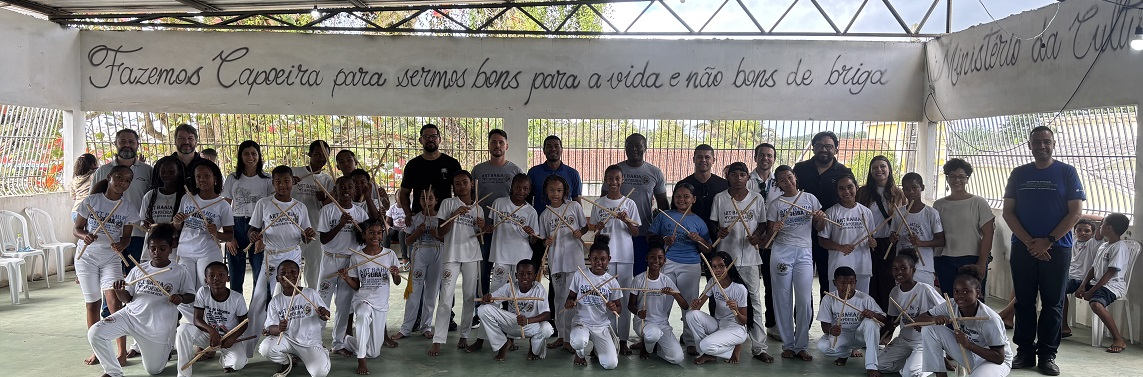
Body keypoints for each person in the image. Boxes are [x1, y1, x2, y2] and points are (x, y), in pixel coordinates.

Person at [1000, 126, 1084, 376]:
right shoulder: (1018, 174)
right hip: (1023, 248)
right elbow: (1008, 212)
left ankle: (1047, 355)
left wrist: (1048, 241)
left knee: (1053, 303)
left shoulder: (1067, 172)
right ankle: (1024, 352)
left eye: (1046, 142)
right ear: (1029, 145)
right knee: (1024, 302)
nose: (1041, 146)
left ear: (1054, 143)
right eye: (1036, 142)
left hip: (1057, 249)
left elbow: (1075, 212)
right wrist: (1029, 243)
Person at [89, 223, 195, 377]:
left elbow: (190, 295)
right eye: (153, 248)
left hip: (156, 329)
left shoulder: (179, 271)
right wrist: (119, 291)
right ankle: (113, 372)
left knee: (154, 370)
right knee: (95, 333)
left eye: (162, 248)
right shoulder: (139, 269)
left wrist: (181, 297)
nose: (157, 252)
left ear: (170, 248)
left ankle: (165, 350)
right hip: (130, 317)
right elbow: (129, 298)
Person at [246, 166, 318, 357]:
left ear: (293, 182)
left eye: (286, 181)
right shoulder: (264, 204)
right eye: (278, 181)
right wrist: (253, 235)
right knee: (258, 301)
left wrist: (308, 235)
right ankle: (247, 350)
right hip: (270, 257)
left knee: (293, 303)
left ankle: (296, 346)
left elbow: (305, 236)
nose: (282, 185)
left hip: (292, 258)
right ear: (273, 183)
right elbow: (252, 229)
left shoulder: (299, 207)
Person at [74, 165, 140, 366]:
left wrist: (122, 243)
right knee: (92, 303)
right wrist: (86, 236)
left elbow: (127, 237)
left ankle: (121, 353)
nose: (122, 182)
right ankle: (99, 351)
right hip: (86, 258)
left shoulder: (128, 208)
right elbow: (77, 229)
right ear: (110, 177)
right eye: (118, 177)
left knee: (114, 302)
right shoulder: (91, 201)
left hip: (111, 258)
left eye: (127, 180)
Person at [709, 162, 770, 362]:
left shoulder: (756, 198)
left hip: (750, 258)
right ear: (728, 177)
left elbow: (762, 224)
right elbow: (713, 222)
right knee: (721, 299)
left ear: (748, 178)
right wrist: (718, 231)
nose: (738, 178)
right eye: (734, 174)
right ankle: (721, 340)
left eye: (742, 174)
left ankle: (759, 346)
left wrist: (758, 236)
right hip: (725, 260)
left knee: (754, 300)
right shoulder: (720, 198)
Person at [766, 165, 826, 361]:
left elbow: (819, 226)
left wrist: (820, 219)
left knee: (804, 300)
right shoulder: (775, 204)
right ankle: (788, 345)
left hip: (804, 253)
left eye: (789, 177)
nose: (787, 182)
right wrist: (774, 227)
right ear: (778, 183)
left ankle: (801, 345)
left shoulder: (809, 199)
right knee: (782, 298)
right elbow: (769, 235)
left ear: (795, 177)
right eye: (782, 180)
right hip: (781, 253)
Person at [916, 266, 1013, 377]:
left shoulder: (990, 319)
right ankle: (941, 375)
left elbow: (999, 358)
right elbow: (919, 320)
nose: (960, 296)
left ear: (978, 293)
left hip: (993, 361)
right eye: (956, 291)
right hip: (969, 354)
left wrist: (969, 345)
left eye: (966, 291)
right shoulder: (951, 305)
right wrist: (933, 319)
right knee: (929, 329)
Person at [427, 170, 485, 356]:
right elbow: (441, 232)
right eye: (457, 183)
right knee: (445, 298)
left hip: (472, 255)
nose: (461, 186)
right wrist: (454, 214)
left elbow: (480, 234)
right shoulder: (448, 203)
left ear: (471, 184)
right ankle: (438, 339)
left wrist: (482, 227)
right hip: (451, 255)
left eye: (465, 182)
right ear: (453, 186)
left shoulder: (478, 208)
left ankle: (465, 335)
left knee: (469, 297)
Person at [648, 182, 710, 355]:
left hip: (690, 264)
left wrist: (699, 240)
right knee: (662, 302)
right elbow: (650, 236)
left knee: (690, 303)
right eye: (678, 196)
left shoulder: (698, 221)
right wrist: (663, 240)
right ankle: (659, 337)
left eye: (686, 197)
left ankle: (690, 340)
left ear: (694, 199)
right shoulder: (664, 215)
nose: (681, 200)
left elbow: (708, 248)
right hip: (666, 263)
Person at [588, 164, 641, 355]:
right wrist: (599, 226)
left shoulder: (629, 204)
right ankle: (604, 339)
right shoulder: (599, 203)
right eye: (610, 178)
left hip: (625, 257)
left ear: (622, 180)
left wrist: (626, 220)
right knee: (605, 300)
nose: (613, 182)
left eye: (617, 178)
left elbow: (636, 232)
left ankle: (624, 340)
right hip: (605, 260)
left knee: (624, 300)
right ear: (605, 180)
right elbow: (596, 233)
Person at [338, 218, 402, 374]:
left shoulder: (390, 254)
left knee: (374, 352)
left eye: (379, 233)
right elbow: (357, 285)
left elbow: (398, 282)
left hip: (381, 304)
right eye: (371, 233)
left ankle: (346, 340)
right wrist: (347, 278)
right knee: (362, 316)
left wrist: (395, 274)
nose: (376, 236)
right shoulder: (357, 257)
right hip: (363, 300)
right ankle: (361, 360)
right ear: (364, 235)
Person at [793, 131, 853, 295]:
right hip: (802, 232)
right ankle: (804, 320)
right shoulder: (800, 169)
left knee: (829, 281)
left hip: (831, 235)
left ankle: (828, 319)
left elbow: (851, 200)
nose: (824, 150)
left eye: (829, 146)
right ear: (813, 148)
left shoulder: (843, 172)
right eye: (819, 146)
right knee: (802, 283)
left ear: (836, 149)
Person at [604, 133, 668, 279]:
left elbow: (663, 204)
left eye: (638, 145)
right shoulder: (615, 171)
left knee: (640, 274)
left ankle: (637, 302)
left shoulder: (655, 172)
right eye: (630, 145)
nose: (634, 149)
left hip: (643, 232)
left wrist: (662, 232)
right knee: (615, 277)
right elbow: (604, 200)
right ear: (625, 148)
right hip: (616, 233)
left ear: (645, 148)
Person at [318, 176, 370, 356]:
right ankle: (315, 342)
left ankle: (338, 343)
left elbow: (363, 241)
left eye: (350, 186)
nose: (346, 190)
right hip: (330, 260)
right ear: (335, 190)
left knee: (344, 304)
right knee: (321, 301)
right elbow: (323, 239)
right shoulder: (327, 210)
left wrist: (361, 232)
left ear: (355, 190)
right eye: (342, 187)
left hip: (350, 263)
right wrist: (340, 224)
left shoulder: (360, 213)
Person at [875, 249, 944, 377]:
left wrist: (930, 319)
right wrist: (889, 326)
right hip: (904, 339)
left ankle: (933, 361)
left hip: (924, 342)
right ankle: (912, 361)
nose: (899, 272)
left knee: (911, 373)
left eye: (903, 268)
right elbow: (892, 319)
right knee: (878, 365)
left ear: (913, 270)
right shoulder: (894, 292)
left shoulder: (925, 289)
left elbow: (946, 309)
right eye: (895, 269)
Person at [91, 129, 153, 275]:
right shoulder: (103, 170)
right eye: (122, 141)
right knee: (111, 280)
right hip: (109, 235)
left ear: (138, 144)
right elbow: (93, 201)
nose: (127, 145)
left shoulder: (148, 170)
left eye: (131, 142)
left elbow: (152, 199)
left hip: (138, 234)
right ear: (115, 144)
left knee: (135, 276)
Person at [538, 175, 587, 353]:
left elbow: (585, 227)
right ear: (546, 192)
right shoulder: (545, 214)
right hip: (556, 262)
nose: (555, 194)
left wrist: (579, 233)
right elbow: (543, 238)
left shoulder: (573, 206)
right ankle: (561, 336)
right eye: (552, 190)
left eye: (559, 190)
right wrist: (546, 242)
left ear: (565, 191)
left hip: (574, 261)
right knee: (559, 299)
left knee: (572, 300)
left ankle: (571, 338)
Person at [258, 260, 332, 377]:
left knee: (319, 373)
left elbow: (326, 316)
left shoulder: (311, 293)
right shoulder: (275, 301)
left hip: (310, 343)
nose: (288, 275)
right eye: (283, 273)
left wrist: (323, 314)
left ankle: (322, 352)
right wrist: (278, 328)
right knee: (265, 348)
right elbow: (271, 328)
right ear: (277, 278)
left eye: (293, 272)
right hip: (287, 341)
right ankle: (287, 361)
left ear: (299, 276)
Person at [175, 261, 250, 376]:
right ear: (206, 280)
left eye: (221, 275)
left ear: (228, 278)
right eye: (211, 275)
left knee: (237, 363)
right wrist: (211, 331)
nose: (216, 278)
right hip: (209, 336)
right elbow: (197, 319)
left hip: (229, 339)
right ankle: (183, 373)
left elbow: (244, 323)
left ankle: (225, 360)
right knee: (182, 330)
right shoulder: (203, 292)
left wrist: (232, 337)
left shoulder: (237, 298)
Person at [472, 129, 524, 294]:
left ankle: (508, 305)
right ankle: (480, 308)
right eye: (494, 142)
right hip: (484, 228)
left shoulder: (516, 171)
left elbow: (522, 199)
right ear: (488, 146)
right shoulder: (478, 170)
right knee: (483, 270)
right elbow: (472, 199)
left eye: (501, 142)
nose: (497, 145)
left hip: (507, 229)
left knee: (506, 271)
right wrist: (480, 222)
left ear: (506, 146)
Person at [933, 158, 995, 296]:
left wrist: (981, 262)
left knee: (973, 303)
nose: (957, 180)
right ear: (947, 178)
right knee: (950, 301)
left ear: (967, 179)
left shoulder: (978, 202)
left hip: (971, 260)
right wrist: (935, 262)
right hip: (945, 260)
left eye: (961, 177)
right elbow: (936, 235)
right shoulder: (938, 205)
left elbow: (988, 234)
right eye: (952, 176)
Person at [1075, 213, 1133, 354]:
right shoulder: (1104, 246)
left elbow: (1110, 273)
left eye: (1102, 224)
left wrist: (1091, 291)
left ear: (1108, 228)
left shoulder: (1119, 247)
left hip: (1113, 285)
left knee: (1096, 304)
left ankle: (1118, 339)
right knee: (1063, 287)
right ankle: (1060, 328)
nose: (1099, 226)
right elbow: (1093, 268)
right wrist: (1082, 286)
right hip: (1098, 282)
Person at [475, 259, 554, 361]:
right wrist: (487, 299)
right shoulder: (510, 287)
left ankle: (533, 349)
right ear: (516, 275)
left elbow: (547, 314)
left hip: (530, 325)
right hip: (512, 323)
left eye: (529, 274)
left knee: (546, 328)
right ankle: (502, 344)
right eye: (521, 274)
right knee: (483, 309)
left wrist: (527, 321)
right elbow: (492, 299)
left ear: (535, 276)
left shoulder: (539, 289)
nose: (525, 277)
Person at [173, 160, 235, 290]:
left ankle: (205, 311)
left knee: (206, 288)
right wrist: (177, 221)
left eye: (207, 175)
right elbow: (178, 227)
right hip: (185, 251)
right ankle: (191, 312)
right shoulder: (187, 198)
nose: (202, 179)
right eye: (198, 176)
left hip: (208, 253)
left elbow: (229, 236)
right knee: (186, 290)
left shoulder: (223, 205)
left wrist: (216, 233)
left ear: (215, 178)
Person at [564, 234, 623, 369]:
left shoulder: (612, 281)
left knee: (610, 364)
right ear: (589, 258)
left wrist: (613, 307)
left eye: (603, 259)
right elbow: (571, 297)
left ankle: (597, 349)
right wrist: (570, 303)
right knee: (579, 341)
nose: (599, 262)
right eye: (595, 259)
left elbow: (619, 308)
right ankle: (579, 354)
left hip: (601, 326)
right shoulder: (580, 275)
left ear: (609, 260)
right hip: (582, 322)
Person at [856, 155, 906, 313]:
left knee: (887, 283)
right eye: (874, 167)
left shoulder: (898, 194)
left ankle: (885, 322)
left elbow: (903, 219)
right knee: (869, 283)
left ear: (889, 169)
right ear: (870, 172)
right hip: (867, 243)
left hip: (889, 244)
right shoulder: (863, 193)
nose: (879, 170)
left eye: (882, 166)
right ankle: (869, 319)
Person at [816, 266, 886, 376]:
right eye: (843, 283)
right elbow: (824, 325)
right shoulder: (829, 298)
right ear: (835, 283)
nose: (848, 287)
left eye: (851, 283)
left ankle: (871, 366)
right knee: (823, 347)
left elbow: (883, 319)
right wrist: (831, 330)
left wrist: (873, 314)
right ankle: (845, 353)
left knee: (871, 323)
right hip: (842, 335)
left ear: (856, 282)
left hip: (860, 335)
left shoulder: (864, 298)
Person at [222, 140, 272, 294]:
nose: (250, 157)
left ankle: (256, 315)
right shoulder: (233, 178)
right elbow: (225, 208)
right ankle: (238, 315)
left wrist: (262, 237)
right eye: (246, 153)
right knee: (236, 276)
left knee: (259, 274)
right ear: (240, 156)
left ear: (259, 156)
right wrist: (228, 237)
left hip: (258, 227)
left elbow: (270, 209)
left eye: (254, 153)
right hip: (236, 225)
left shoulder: (267, 179)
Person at [392, 190, 443, 340]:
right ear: (419, 200)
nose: (427, 201)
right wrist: (417, 232)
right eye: (423, 198)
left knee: (431, 292)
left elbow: (447, 239)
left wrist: (437, 235)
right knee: (413, 292)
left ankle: (426, 326)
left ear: (436, 200)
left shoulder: (441, 218)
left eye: (430, 198)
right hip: (419, 253)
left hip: (437, 254)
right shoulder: (414, 218)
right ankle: (406, 328)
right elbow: (407, 241)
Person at [629, 236, 688, 364]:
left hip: (662, 324)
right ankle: (647, 347)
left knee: (677, 358)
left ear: (664, 260)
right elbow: (630, 305)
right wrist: (638, 312)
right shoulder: (639, 279)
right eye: (652, 257)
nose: (656, 260)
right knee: (652, 334)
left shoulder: (666, 281)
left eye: (660, 257)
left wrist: (674, 294)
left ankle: (657, 347)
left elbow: (685, 306)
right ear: (646, 258)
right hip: (643, 322)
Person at [686, 250, 749, 365]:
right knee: (691, 314)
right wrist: (695, 304)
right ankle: (708, 353)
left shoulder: (739, 289)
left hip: (735, 328)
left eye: (721, 266)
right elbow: (697, 307)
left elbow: (744, 321)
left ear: (729, 266)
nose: (717, 270)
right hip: (718, 323)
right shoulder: (712, 282)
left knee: (705, 345)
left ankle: (734, 348)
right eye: (714, 267)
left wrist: (735, 310)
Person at [747, 143, 785, 331]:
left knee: (772, 283)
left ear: (774, 159)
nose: (765, 159)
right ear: (755, 157)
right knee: (748, 285)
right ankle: (746, 324)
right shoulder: (747, 181)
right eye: (762, 155)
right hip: (750, 240)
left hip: (773, 241)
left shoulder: (779, 183)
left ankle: (772, 324)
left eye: (770, 156)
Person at [818, 175, 877, 294]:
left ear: (856, 187)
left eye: (850, 187)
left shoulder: (866, 212)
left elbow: (872, 239)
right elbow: (822, 241)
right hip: (839, 268)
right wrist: (841, 247)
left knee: (860, 304)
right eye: (841, 188)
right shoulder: (831, 212)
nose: (846, 191)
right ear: (837, 191)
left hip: (862, 267)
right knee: (839, 305)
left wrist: (873, 243)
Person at [293, 140, 335, 288]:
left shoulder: (327, 180)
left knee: (314, 270)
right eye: (317, 154)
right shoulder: (294, 173)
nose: (321, 159)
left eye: (324, 156)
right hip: (293, 230)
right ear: (309, 154)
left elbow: (329, 208)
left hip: (316, 230)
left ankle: (312, 303)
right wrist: (289, 182)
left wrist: (323, 199)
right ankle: (288, 303)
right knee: (291, 269)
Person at [399, 124, 463, 220]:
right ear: (421, 140)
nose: (430, 139)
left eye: (434, 136)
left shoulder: (451, 163)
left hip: (445, 218)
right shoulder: (412, 165)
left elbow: (459, 191)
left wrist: (456, 212)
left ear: (439, 139)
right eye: (426, 136)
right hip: (420, 219)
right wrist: (408, 213)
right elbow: (404, 193)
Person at [892, 173, 944, 287]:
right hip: (902, 267)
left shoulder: (931, 213)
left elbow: (941, 240)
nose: (910, 192)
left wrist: (920, 243)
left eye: (914, 188)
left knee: (925, 300)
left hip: (923, 267)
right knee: (903, 300)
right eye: (906, 189)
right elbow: (893, 235)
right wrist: (893, 238)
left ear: (922, 188)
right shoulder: (898, 212)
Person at [677, 144, 728, 240]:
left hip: (718, 236)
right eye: (699, 157)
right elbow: (676, 211)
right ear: (693, 159)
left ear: (713, 160)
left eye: (707, 157)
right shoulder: (683, 184)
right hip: (689, 235)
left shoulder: (724, 185)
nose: (703, 160)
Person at [139, 156, 185, 261]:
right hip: (152, 251)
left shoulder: (184, 197)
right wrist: (146, 225)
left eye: (171, 171)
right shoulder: (150, 195)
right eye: (163, 171)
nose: (166, 174)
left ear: (179, 172)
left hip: (174, 250)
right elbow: (143, 223)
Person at [1061, 219, 1102, 338]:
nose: (1082, 233)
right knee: (1040, 284)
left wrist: (1101, 222)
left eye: (1087, 231)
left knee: (1057, 290)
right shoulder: (1072, 240)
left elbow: (1099, 235)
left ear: (1092, 233)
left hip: (1079, 279)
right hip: (1067, 275)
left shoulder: (1093, 244)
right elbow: (1071, 219)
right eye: (1079, 230)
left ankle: (1063, 326)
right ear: (1075, 232)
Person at [527, 135, 582, 213]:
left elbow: (576, 199)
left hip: (565, 223)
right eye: (549, 146)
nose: (553, 149)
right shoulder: (533, 172)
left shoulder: (573, 174)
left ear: (562, 150)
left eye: (556, 146)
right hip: (540, 222)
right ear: (544, 150)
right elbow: (527, 199)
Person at [170, 124, 207, 189]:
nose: (186, 142)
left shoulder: (206, 165)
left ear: (196, 142)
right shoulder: (163, 165)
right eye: (181, 138)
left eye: (190, 138)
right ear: (175, 141)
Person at [71, 153, 99, 221]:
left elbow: (73, 196)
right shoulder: (94, 176)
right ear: (93, 164)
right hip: (87, 212)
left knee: (78, 231)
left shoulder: (75, 179)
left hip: (75, 211)